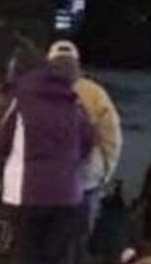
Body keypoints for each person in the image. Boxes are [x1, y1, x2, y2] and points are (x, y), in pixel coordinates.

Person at [0, 43, 95, 264]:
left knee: (30, 256)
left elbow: (1, 141)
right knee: (60, 257)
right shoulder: (74, 103)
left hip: (27, 191)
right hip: (68, 191)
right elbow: (88, 141)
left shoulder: (21, 98)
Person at [46, 40, 122, 234]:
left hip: (42, 181)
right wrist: (106, 172)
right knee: (77, 240)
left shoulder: (33, 89)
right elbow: (111, 137)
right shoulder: (95, 93)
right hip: (85, 179)